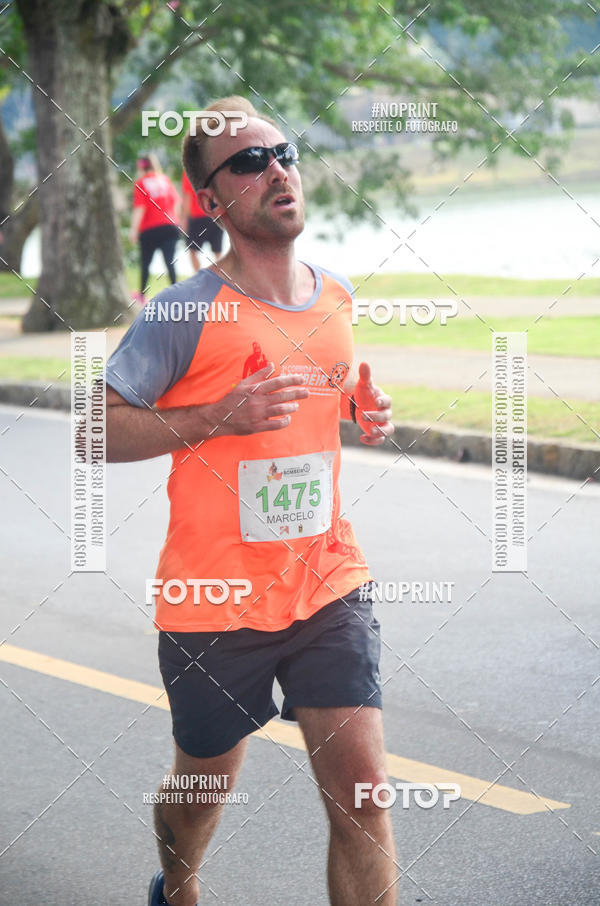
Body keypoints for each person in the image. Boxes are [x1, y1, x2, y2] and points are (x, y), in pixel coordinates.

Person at [105, 95, 396, 906]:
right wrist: (212, 419)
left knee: (366, 790)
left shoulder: (335, 294)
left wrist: (357, 408)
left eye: (284, 152)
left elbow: (318, 398)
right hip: (214, 602)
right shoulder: (181, 313)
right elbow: (96, 431)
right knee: (202, 790)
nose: (277, 170)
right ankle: (180, 883)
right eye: (249, 161)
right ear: (212, 200)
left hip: (326, 580)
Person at [130, 153, 180, 305]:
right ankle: (176, 294)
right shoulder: (165, 180)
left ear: (140, 167)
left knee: (145, 263)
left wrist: (133, 230)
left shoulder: (141, 183)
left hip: (150, 229)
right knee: (170, 261)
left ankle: (142, 295)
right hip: (170, 226)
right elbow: (176, 203)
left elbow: (140, 208)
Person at [181, 169, 224, 271]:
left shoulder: (190, 170)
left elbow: (187, 197)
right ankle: (221, 279)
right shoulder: (214, 167)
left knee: (192, 250)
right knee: (218, 251)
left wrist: (184, 218)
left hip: (198, 216)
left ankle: (200, 279)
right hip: (216, 214)